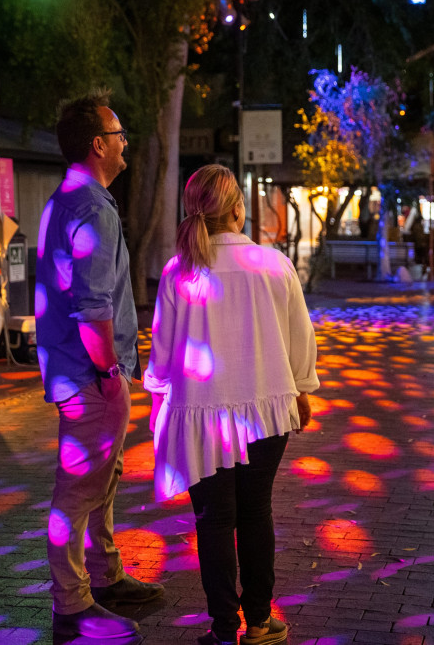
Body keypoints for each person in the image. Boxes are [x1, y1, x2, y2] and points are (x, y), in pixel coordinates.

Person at [144, 164, 320, 645]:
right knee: (256, 513)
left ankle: (224, 630)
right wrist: (301, 388)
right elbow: (300, 340)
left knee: (214, 523)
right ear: (239, 209)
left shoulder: (178, 271)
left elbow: (162, 354)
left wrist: (158, 400)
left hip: (200, 418)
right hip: (265, 410)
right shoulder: (273, 263)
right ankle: (260, 623)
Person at [36, 89, 164, 640]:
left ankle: (105, 577)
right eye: (118, 135)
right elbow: (93, 308)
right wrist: (111, 375)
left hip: (75, 371)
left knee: (101, 482)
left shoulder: (65, 199)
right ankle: (72, 604)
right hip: (90, 377)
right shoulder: (91, 207)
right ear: (97, 145)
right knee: (79, 490)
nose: (125, 142)